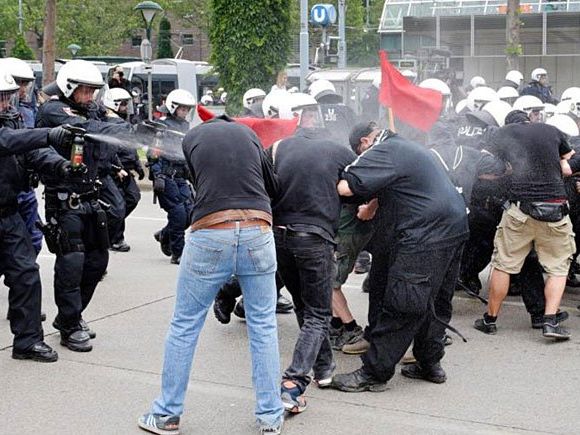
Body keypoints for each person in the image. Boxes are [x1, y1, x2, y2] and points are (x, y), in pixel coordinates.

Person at [138, 116, 284, 435]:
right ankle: (271, 415)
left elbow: (197, 183)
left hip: (210, 230)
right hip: (257, 229)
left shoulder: (192, 139)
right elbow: (273, 186)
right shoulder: (250, 137)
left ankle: (167, 415)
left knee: (185, 325)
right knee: (263, 324)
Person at [331, 127, 469, 392]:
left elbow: (348, 187)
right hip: (454, 228)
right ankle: (429, 363)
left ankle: (374, 373)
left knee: (405, 301)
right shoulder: (410, 148)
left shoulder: (384, 149)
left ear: (365, 143)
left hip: (425, 233)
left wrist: (331, 181)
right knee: (435, 301)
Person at [36, 59, 133, 351]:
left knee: (97, 261)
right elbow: (85, 126)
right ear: (69, 87)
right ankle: (68, 324)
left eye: (93, 90)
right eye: (85, 90)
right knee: (71, 262)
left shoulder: (92, 109)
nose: (90, 96)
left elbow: (108, 123)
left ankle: (73, 315)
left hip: (92, 195)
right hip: (64, 199)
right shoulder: (53, 110)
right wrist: (114, 125)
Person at [271, 94, 358, 412]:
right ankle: (293, 383)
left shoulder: (278, 148)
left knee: (305, 308)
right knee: (319, 315)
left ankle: (323, 369)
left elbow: (266, 187)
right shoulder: (339, 151)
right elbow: (355, 190)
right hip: (315, 240)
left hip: (280, 239)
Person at [474, 112, 575, 340]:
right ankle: (550, 321)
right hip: (555, 209)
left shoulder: (504, 133)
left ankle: (490, 320)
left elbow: (484, 166)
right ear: (531, 118)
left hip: (520, 210)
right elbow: (567, 164)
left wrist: (509, 169)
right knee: (558, 268)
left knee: (503, 265)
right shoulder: (552, 130)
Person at [0, 70, 75, 362]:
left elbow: (33, 153)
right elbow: (7, 142)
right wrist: (48, 133)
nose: (7, 104)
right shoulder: (10, 130)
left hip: (9, 213)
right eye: (1, 99)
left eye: (9, 98)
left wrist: (63, 166)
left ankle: (28, 342)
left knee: (27, 275)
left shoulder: (13, 119)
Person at [329, 122, 378, 355]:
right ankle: (336, 324)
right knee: (333, 279)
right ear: (363, 142)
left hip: (350, 231)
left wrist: (371, 204)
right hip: (353, 230)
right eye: (375, 135)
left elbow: (345, 190)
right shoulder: (359, 165)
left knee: (329, 282)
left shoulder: (365, 165)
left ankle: (350, 328)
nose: (380, 138)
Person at [150, 89, 195, 264]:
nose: (185, 112)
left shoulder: (185, 127)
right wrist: (158, 173)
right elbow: (154, 152)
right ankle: (178, 253)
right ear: (173, 107)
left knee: (190, 213)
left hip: (180, 177)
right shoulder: (162, 126)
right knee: (177, 214)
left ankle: (164, 234)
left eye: (187, 109)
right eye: (182, 109)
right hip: (166, 175)